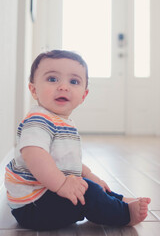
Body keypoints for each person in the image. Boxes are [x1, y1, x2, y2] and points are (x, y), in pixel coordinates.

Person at [5, 50, 151, 231]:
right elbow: (34, 155)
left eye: (73, 82)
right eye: (52, 79)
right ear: (34, 89)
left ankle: (115, 200)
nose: (63, 87)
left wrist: (89, 174)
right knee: (87, 192)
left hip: (44, 198)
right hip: (34, 206)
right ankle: (122, 214)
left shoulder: (61, 121)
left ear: (83, 95)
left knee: (90, 185)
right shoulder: (38, 120)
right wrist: (62, 184)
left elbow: (64, 159)